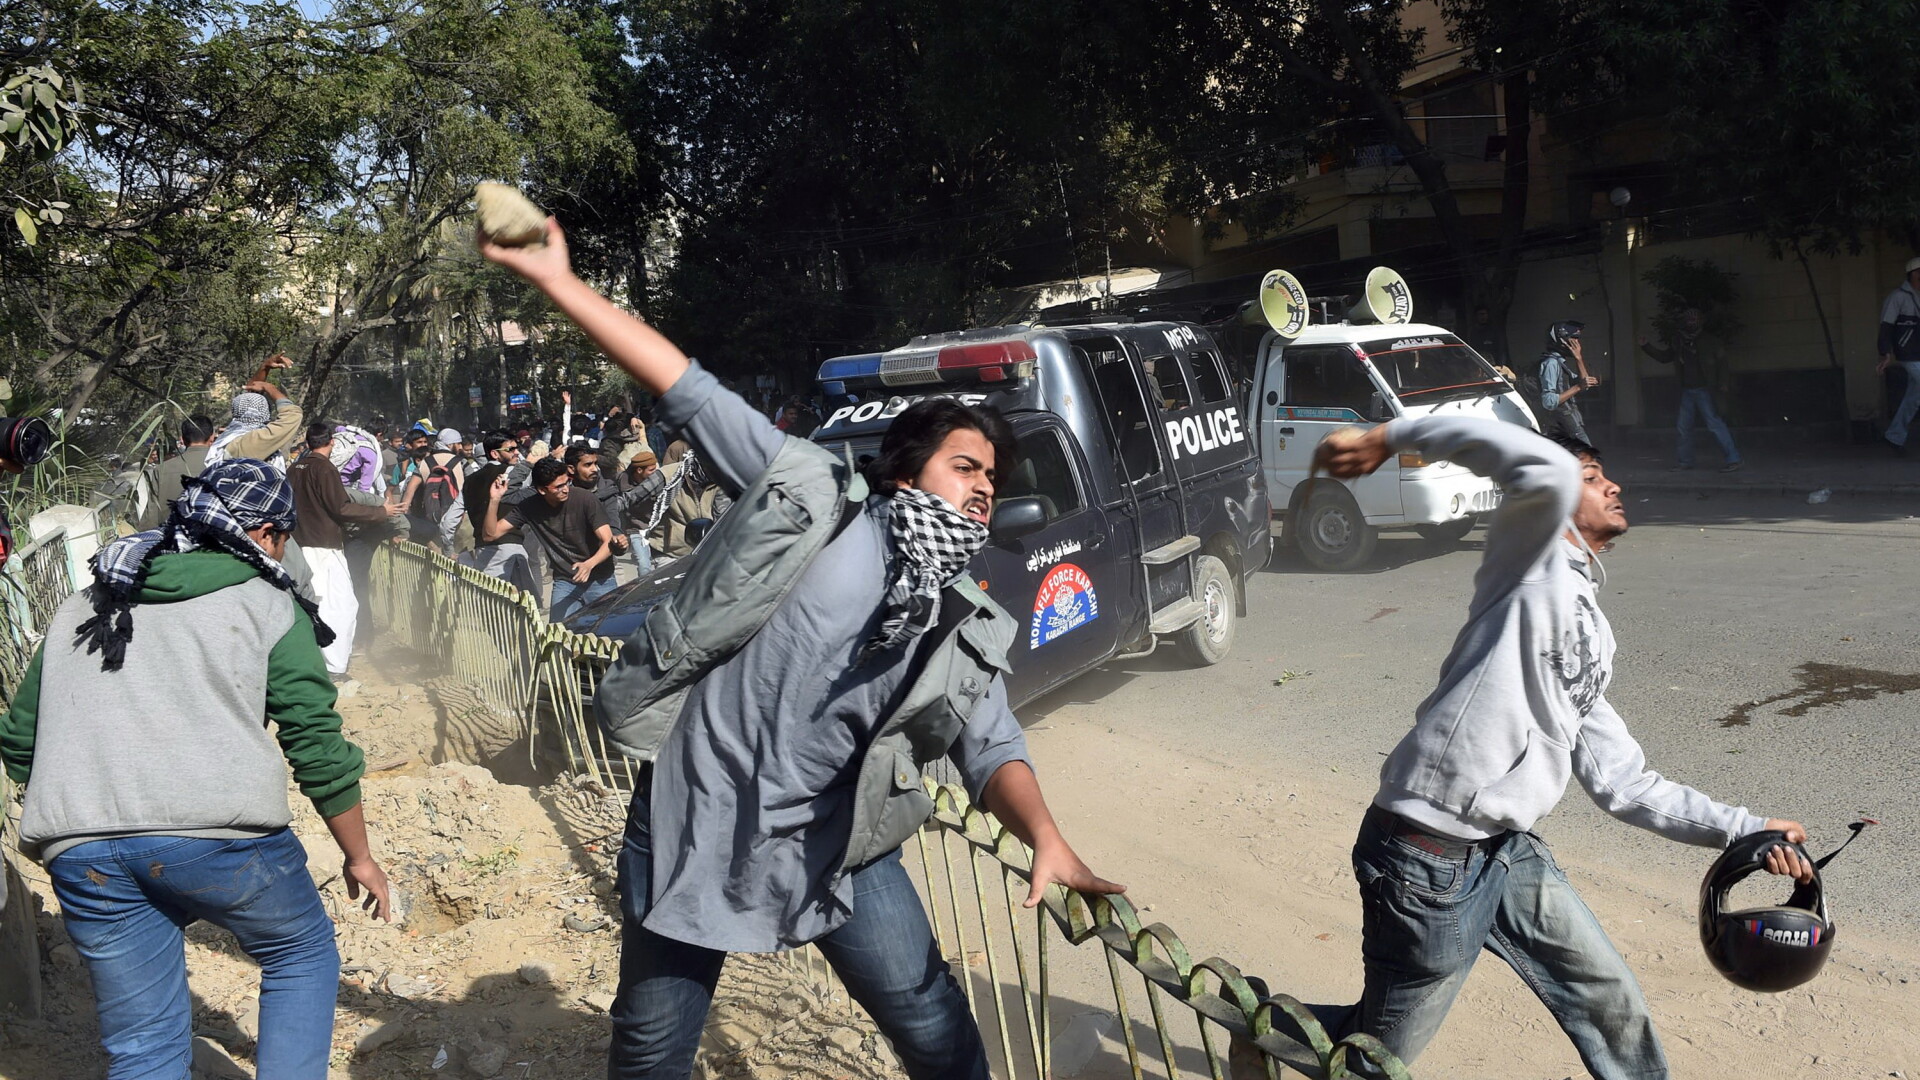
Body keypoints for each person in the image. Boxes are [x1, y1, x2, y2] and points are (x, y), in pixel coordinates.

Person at [480, 214, 1120, 1080]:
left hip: (836, 842)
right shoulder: (814, 498)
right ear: (904, 471)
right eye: (966, 466)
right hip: (695, 816)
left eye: (992, 482)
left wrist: (1045, 834)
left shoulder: (961, 613)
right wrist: (558, 283)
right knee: (652, 1046)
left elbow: (992, 743)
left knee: (935, 1025)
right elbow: (690, 388)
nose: (982, 489)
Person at [1311, 419, 1813, 1080]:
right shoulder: (1529, 555)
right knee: (1378, 1055)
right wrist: (1389, 438)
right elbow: (1535, 464)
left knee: (1610, 1000)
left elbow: (1623, 782)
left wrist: (1747, 830)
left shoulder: (1587, 627)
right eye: (1593, 479)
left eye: (1607, 476)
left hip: (1503, 853)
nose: (1615, 486)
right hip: (1423, 856)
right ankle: (1270, 1031)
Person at [0, 458, 393, 1079]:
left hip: (79, 850)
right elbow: (315, 742)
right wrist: (360, 857)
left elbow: (21, 739)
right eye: (283, 536)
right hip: (221, 840)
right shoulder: (266, 602)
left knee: (143, 1047)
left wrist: (91, 801)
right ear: (265, 533)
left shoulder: (85, 601)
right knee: (300, 950)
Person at [288, 423, 403, 676]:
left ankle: (313, 659)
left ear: (307, 443)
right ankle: (335, 665)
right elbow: (341, 508)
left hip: (299, 544)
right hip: (324, 546)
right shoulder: (325, 469)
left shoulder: (294, 468)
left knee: (311, 602)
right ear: (331, 443)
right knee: (342, 604)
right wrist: (380, 512)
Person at [478, 456, 616, 620]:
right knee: (559, 635)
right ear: (542, 490)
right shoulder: (529, 506)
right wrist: (494, 500)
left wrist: (589, 564)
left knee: (608, 634)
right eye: (558, 487)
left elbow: (608, 541)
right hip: (566, 580)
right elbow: (489, 535)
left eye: (567, 483)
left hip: (600, 580)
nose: (565, 489)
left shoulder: (585, 499)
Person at [1639, 308, 1742, 472]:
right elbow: (1665, 357)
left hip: (1706, 390)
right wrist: (1646, 346)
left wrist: (1723, 383)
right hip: (1688, 390)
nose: (1690, 323)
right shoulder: (1679, 341)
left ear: (1700, 321)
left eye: (1694, 320)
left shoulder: (1710, 340)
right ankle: (1685, 462)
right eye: (1688, 320)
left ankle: (1733, 459)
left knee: (1715, 425)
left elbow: (1723, 364)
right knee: (1683, 427)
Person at [453, 433, 537, 593]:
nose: (517, 452)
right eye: (511, 449)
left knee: (493, 605)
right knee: (523, 603)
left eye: (517, 448)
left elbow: (449, 520)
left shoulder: (470, 480)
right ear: (494, 453)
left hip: (483, 551)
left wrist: (449, 548)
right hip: (514, 546)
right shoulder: (517, 473)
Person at [204, 355, 305, 471]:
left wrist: (265, 367)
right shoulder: (250, 442)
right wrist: (269, 387)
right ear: (265, 413)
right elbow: (293, 414)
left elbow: (249, 398)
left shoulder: (228, 440)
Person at [135, 415, 215, 529]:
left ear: (182, 439)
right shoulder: (226, 465)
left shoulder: (161, 469)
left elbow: (150, 518)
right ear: (212, 437)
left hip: (173, 539)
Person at [1877, 256, 1920, 455]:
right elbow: (1886, 327)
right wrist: (1885, 353)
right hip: (1908, 353)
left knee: (1914, 397)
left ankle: (1894, 436)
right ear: (1913, 274)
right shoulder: (1898, 297)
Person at [1536, 320, 1597, 443]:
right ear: (1562, 340)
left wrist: (1579, 359)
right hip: (1563, 426)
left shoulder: (1560, 363)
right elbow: (1549, 401)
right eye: (1574, 339)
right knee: (1589, 459)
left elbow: (1585, 384)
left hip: (1571, 424)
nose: (1577, 343)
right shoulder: (1551, 363)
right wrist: (1578, 387)